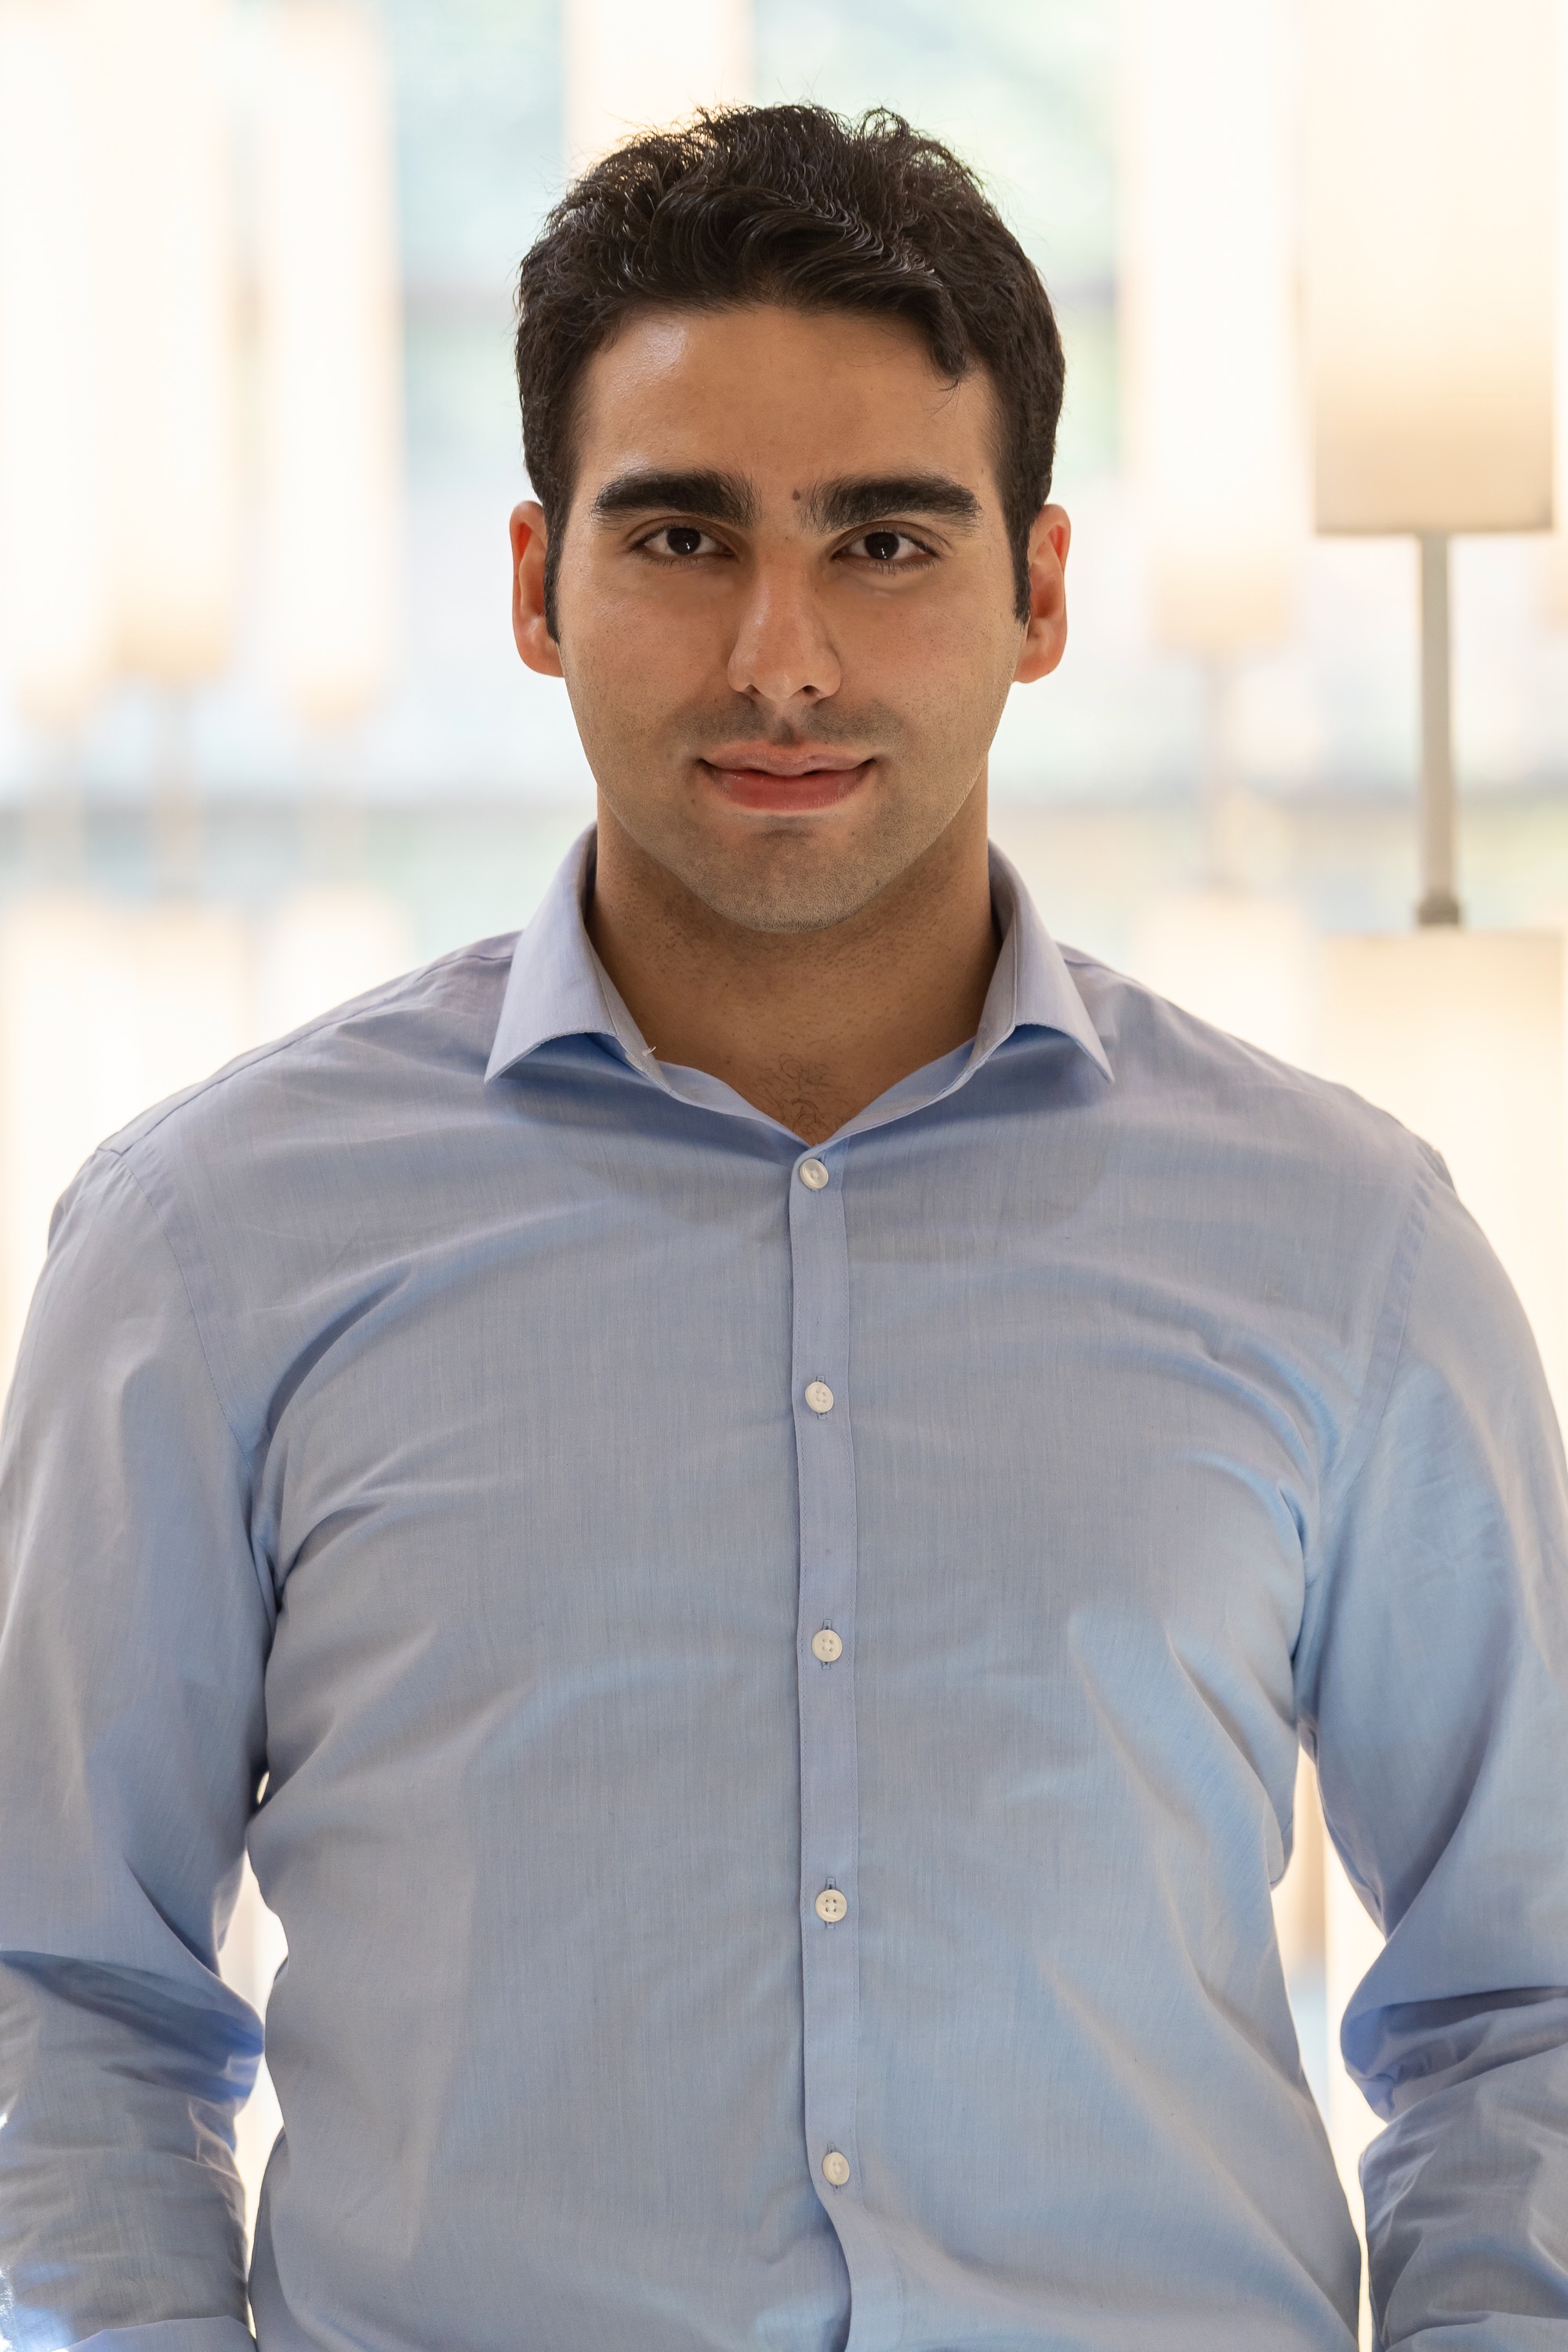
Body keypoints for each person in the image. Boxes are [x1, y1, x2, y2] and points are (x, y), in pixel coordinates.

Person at [1, 100, 1565, 2352]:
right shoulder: (208, 1246)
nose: (782, 656)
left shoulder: (1346, 1248)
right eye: (682, 536)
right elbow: (64, 1999)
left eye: (886, 543)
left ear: (1040, 592)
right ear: (537, 585)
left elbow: (1524, 2001)